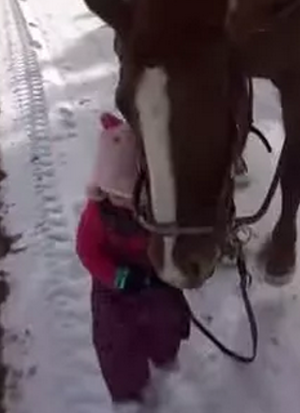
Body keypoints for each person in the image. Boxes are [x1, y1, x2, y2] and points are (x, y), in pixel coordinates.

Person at [75, 112, 191, 409]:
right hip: (114, 286)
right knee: (116, 340)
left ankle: (165, 359)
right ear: (102, 187)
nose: (125, 202)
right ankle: (128, 393)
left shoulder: (156, 212)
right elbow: (88, 251)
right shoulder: (97, 215)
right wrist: (119, 277)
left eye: (131, 196)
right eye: (116, 194)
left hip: (154, 277)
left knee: (166, 321)